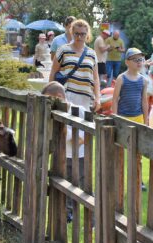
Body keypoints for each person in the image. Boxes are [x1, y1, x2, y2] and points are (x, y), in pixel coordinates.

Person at [41, 81, 86, 222]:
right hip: (60, 155)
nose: (48, 103)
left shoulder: (79, 111)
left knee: (82, 187)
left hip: (79, 156)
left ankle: (92, 219)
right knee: (63, 185)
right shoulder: (52, 112)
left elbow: (79, 140)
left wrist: (63, 131)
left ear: (59, 96)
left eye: (50, 99)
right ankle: (67, 215)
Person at [112, 48, 148, 191]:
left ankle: (138, 180)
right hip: (123, 118)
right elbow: (115, 100)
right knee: (120, 150)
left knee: (137, 153)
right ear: (127, 62)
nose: (139, 62)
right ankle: (117, 178)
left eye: (141, 59)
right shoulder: (121, 78)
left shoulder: (143, 80)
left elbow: (144, 101)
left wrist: (146, 121)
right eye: (135, 59)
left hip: (138, 118)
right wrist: (115, 118)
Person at [49, 19, 101, 112]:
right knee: (66, 125)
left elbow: (96, 78)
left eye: (83, 34)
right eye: (76, 33)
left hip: (85, 98)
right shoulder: (63, 50)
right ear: (72, 33)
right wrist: (50, 93)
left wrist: (97, 98)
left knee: (82, 125)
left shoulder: (92, 53)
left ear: (87, 35)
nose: (79, 37)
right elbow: (53, 72)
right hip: (67, 96)